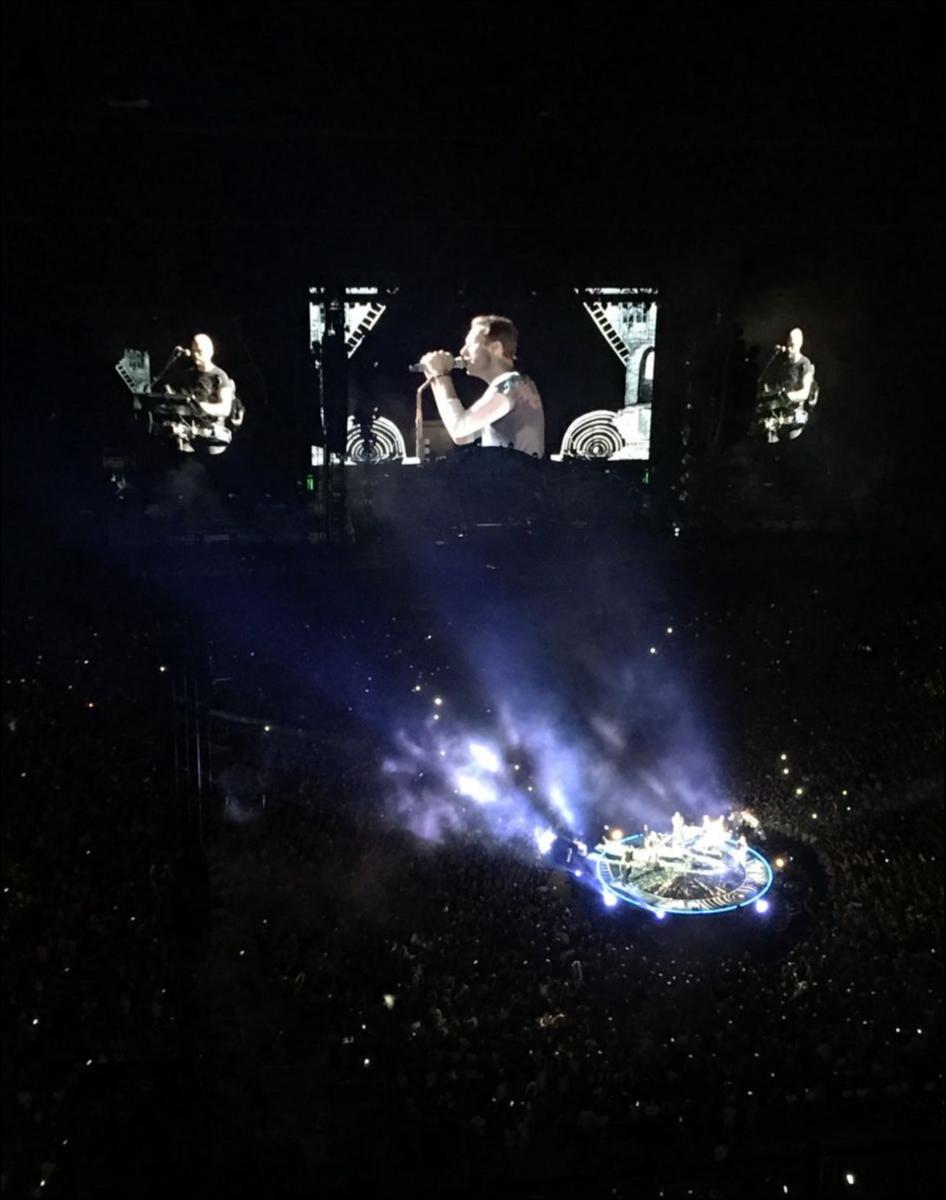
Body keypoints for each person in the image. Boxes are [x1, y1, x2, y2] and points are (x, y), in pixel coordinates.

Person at [419, 315, 545, 457]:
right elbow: (462, 437)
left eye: (470, 344)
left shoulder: (509, 384)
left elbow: (458, 428)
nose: (463, 352)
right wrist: (437, 377)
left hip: (514, 471)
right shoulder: (519, 382)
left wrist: (441, 375)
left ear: (496, 348)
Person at [166, 333, 239, 455]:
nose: (195, 355)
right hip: (188, 438)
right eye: (193, 350)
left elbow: (225, 409)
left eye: (199, 351)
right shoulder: (187, 375)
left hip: (210, 440)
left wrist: (198, 406)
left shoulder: (220, 376)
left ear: (210, 352)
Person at [756, 327, 817, 443]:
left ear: (800, 344)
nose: (789, 348)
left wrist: (787, 396)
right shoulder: (781, 361)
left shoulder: (805, 364)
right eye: (788, 343)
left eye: (792, 345)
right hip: (775, 415)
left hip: (792, 418)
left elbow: (804, 393)